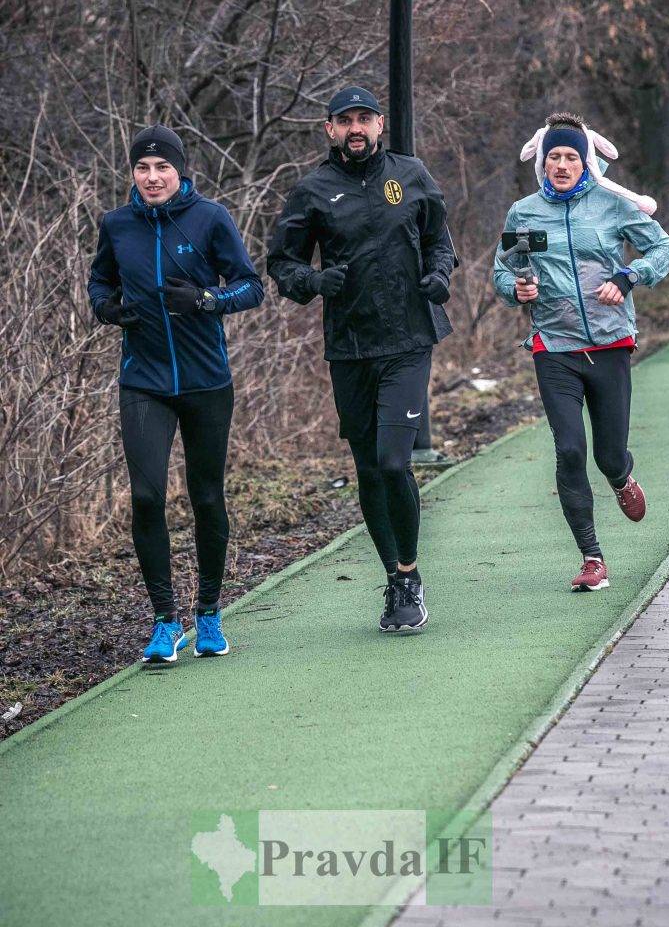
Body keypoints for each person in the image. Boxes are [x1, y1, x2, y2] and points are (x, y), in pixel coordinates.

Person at [267, 86, 456, 631]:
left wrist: (440, 275)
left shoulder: (411, 174)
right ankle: (394, 582)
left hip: (407, 339)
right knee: (369, 467)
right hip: (349, 346)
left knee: (395, 461)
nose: (356, 128)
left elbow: (441, 240)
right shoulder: (312, 190)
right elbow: (282, 263)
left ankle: (410, 573)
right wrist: (313, 280)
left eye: (365, 119)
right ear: (329, 129)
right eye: (344, 120)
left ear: (379, 126)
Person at [88, 124, 264, 662]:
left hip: (207, 382)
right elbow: (99, 282)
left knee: (207, 496)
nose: (152, 176)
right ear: (132, 174)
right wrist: (108, 309)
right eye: (142, 168)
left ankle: (208, 614)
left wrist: (208, 299)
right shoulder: (117, 225)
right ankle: (165, 621)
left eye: (162, 167)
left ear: (180, 171)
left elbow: (250, 286)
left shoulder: (210, 218)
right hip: (143, 381)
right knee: (146, 497)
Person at [494, 112, 669, 592]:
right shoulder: (525, 213)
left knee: (608, 454)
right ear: (542, 162)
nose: (561, 164)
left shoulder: (613, 206)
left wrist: (628, 277)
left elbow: (665, 249)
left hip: (611, 344)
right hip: (553, 347)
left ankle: (621, 478)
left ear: (587, 162)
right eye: (553, 156)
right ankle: (592, 557)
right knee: (570, 450)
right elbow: (502, 271)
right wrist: (517, 290)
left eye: (571, 156)